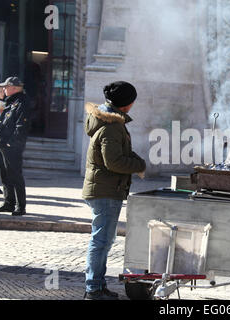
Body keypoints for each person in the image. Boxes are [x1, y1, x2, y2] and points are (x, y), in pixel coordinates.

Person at [82, 81, 146, 300]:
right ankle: (93, 289)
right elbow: (114, 161)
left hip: (104, 188)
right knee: (101, 241)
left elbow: (118, 153)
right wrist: (139, 165)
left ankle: (97, 285)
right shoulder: (111, 126)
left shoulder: (107, 120)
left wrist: (136, 159)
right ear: (127, 104)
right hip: (106, 190)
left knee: (103, 240)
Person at [0, 77, 30, 216]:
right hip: (2, 143)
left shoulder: (22, 102)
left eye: (6, 87)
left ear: (14, 88)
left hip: (11, 145)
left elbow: (21, 125)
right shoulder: (10, 101)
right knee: (5, 175)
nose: (4, 89)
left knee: (15, 175)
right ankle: (9, 203)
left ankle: (20, 206)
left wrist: (12, 142)